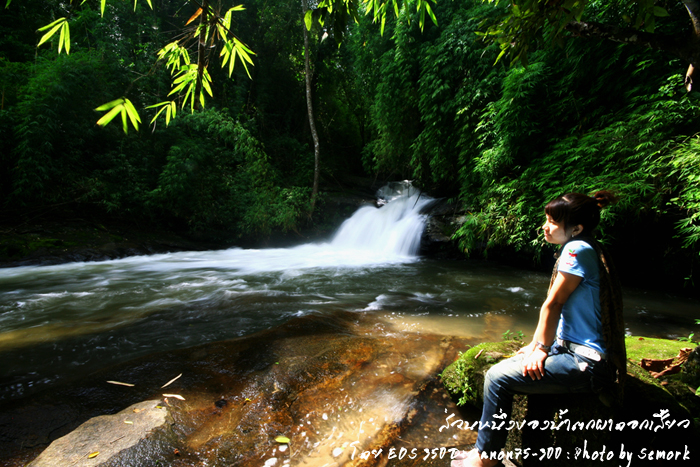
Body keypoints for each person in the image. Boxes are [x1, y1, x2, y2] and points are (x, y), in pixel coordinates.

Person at [452, 191, 626, 467]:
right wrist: (536, 345)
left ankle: (485, 459)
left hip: (587, 362)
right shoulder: (587, 245)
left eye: (552, 222)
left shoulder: (576, 250)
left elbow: (553, 304)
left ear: (576, 228)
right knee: (516, 365)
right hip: (575, 349)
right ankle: (485, 451)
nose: (544, 227)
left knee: (496, 377)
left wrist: (542, 348)